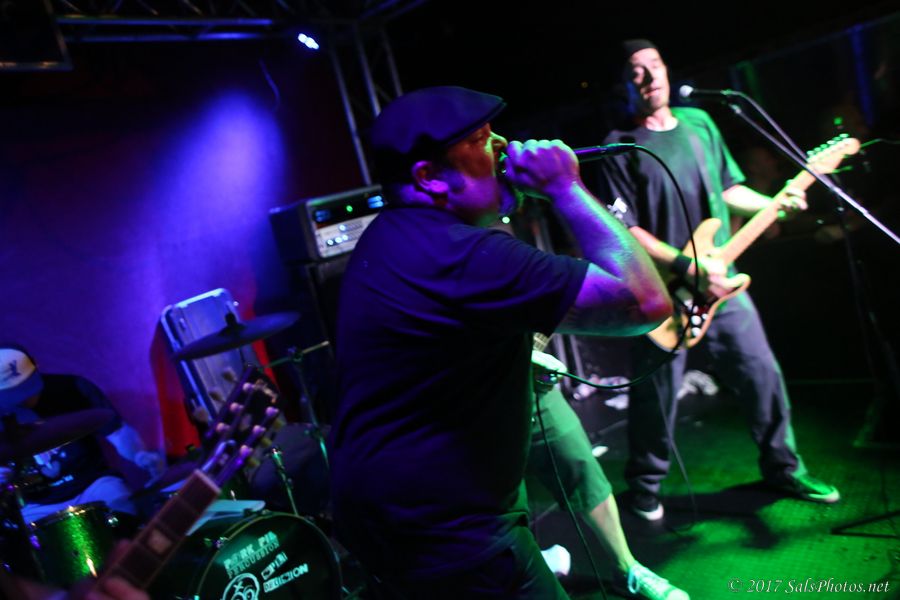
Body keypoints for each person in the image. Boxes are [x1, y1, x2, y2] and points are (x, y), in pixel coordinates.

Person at [327, 85, 672, 598]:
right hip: (446, 529)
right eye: (481, 139)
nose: (504, 147)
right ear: (429, 177)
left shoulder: (395, 235)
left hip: (393, 514)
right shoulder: (458, 254)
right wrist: (565, 188)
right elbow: (644, 303)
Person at [592, 39, 840, 522]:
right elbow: (626, 229)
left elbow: (729, 190)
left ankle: (784, 468)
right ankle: (645, 486)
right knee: (655, 397)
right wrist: (686, 267)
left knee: (761, 372)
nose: (650, 77)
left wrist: (776, 204)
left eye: (655, 65)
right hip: (663, 293)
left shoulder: (701, 124)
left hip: (722, 281)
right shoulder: (619, 145)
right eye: (637, 71)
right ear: (624, 85)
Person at [528, 347, 689, 600]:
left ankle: (627, 569)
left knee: (579, 461)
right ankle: (522, 563)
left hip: (526, 381)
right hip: (470, 389)